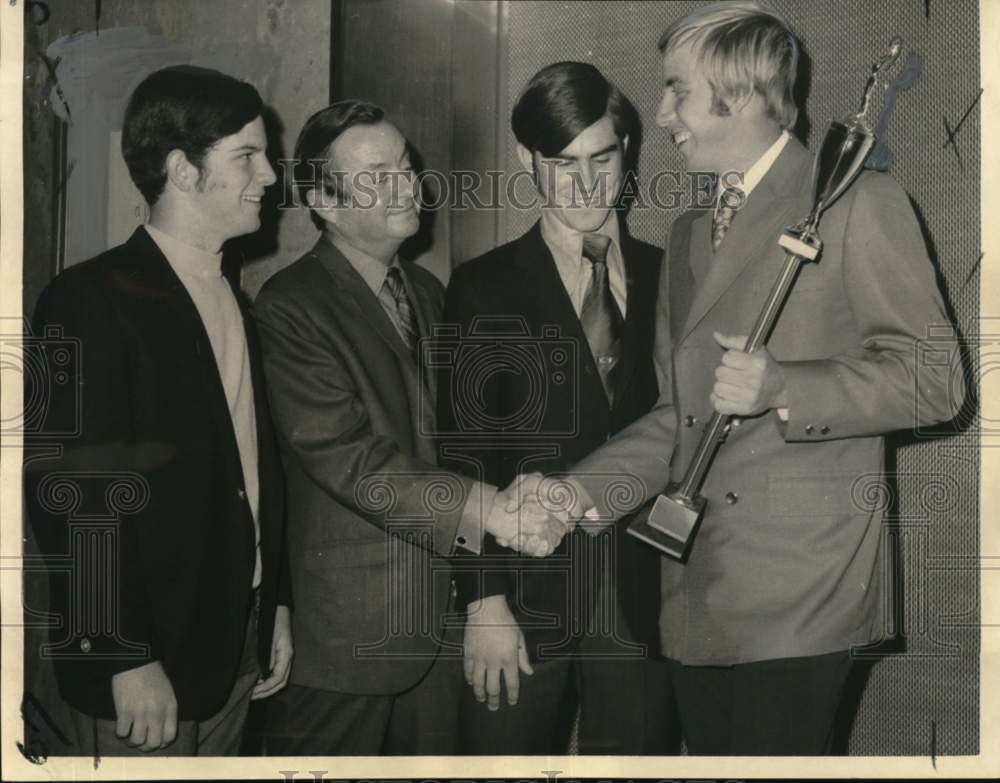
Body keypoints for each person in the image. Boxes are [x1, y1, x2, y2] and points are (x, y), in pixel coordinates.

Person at [516, 1, 964, 755]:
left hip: (803, 594)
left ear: (746, 94)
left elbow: (938, 380)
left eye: (676, 91)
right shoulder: (692, 231)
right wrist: (578, 492)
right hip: (698, 594)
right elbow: (678, 414)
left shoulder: (863, 202)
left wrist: (785, 386)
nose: (659, 116)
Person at [254, 100, 568, 755]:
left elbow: (464, 444)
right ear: (326, 201)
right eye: (379, 173)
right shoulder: (290, 305)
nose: (408, 184)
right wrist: (488, 507)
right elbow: (346, 456)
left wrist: (486, 592)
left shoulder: (429, 289)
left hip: (441, 629)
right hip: (345, 641)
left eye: (407, 165)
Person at [25, 65, 293, 756]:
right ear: (182, 169)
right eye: (247, 156)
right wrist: (121, 653)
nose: (270, 175)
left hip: (235, 646)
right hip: (147, 668)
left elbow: (254, 470)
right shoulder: (89, 298)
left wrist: (275, 607)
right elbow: (71, 494)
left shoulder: (236, 298)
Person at [436, 61, 679, 755]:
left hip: (646, 596)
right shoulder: (483, 286)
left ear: (627, 152)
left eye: (602, 157)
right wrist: (482, 603)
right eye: (562, 162)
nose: (585, 182)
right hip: (520, 597)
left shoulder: (674, 278)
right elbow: (463, 455)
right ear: (526, 161)